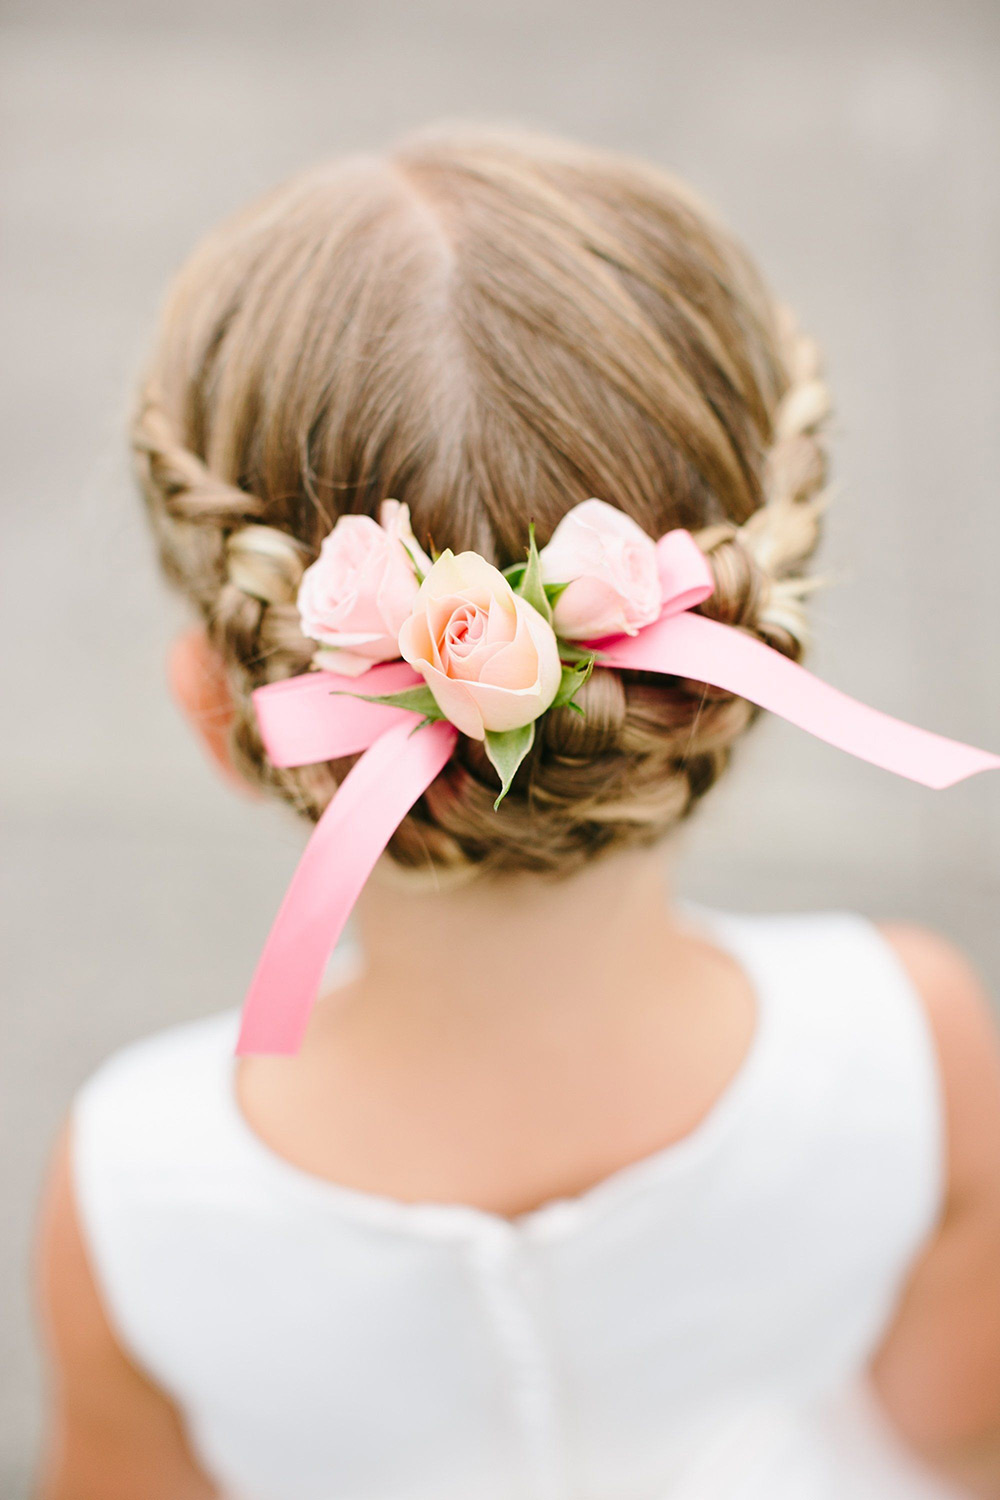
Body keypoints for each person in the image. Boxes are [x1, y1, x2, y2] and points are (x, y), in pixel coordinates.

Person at [33, 126, 1000, 1499]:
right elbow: (958, 1437)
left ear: (222, 710)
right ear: (725, 667)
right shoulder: (914, 1040)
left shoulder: (130, 1188)